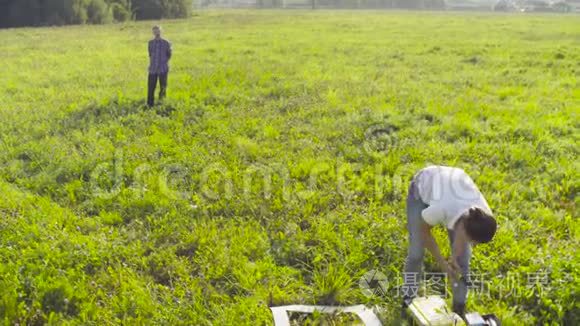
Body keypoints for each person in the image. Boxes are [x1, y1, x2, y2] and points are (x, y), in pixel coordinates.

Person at [401, 165, 497, 316]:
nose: (474, 245)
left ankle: (459, 307)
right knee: (416, 253)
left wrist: (455, 257)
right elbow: (424, 231)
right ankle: (408, 298)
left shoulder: (482, 215)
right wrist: (443, 263)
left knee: (462, 260)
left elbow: (462, 237)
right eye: (473, 241)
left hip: (453, 184)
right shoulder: (442, 209)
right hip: (422, 187)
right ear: (463, 229)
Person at [147, 25, 172, 107]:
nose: (156, 32)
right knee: (151, 87)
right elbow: (150, 54)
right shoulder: (150, 43)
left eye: (158, 31)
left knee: (163, 87)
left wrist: (164, 63)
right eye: (154, 31)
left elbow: (169, 54)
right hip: (153, 69)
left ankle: (161, 103)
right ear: (152, 32)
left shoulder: (166, 42)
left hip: (163, 68)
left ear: (161, 31)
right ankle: (150, 104)